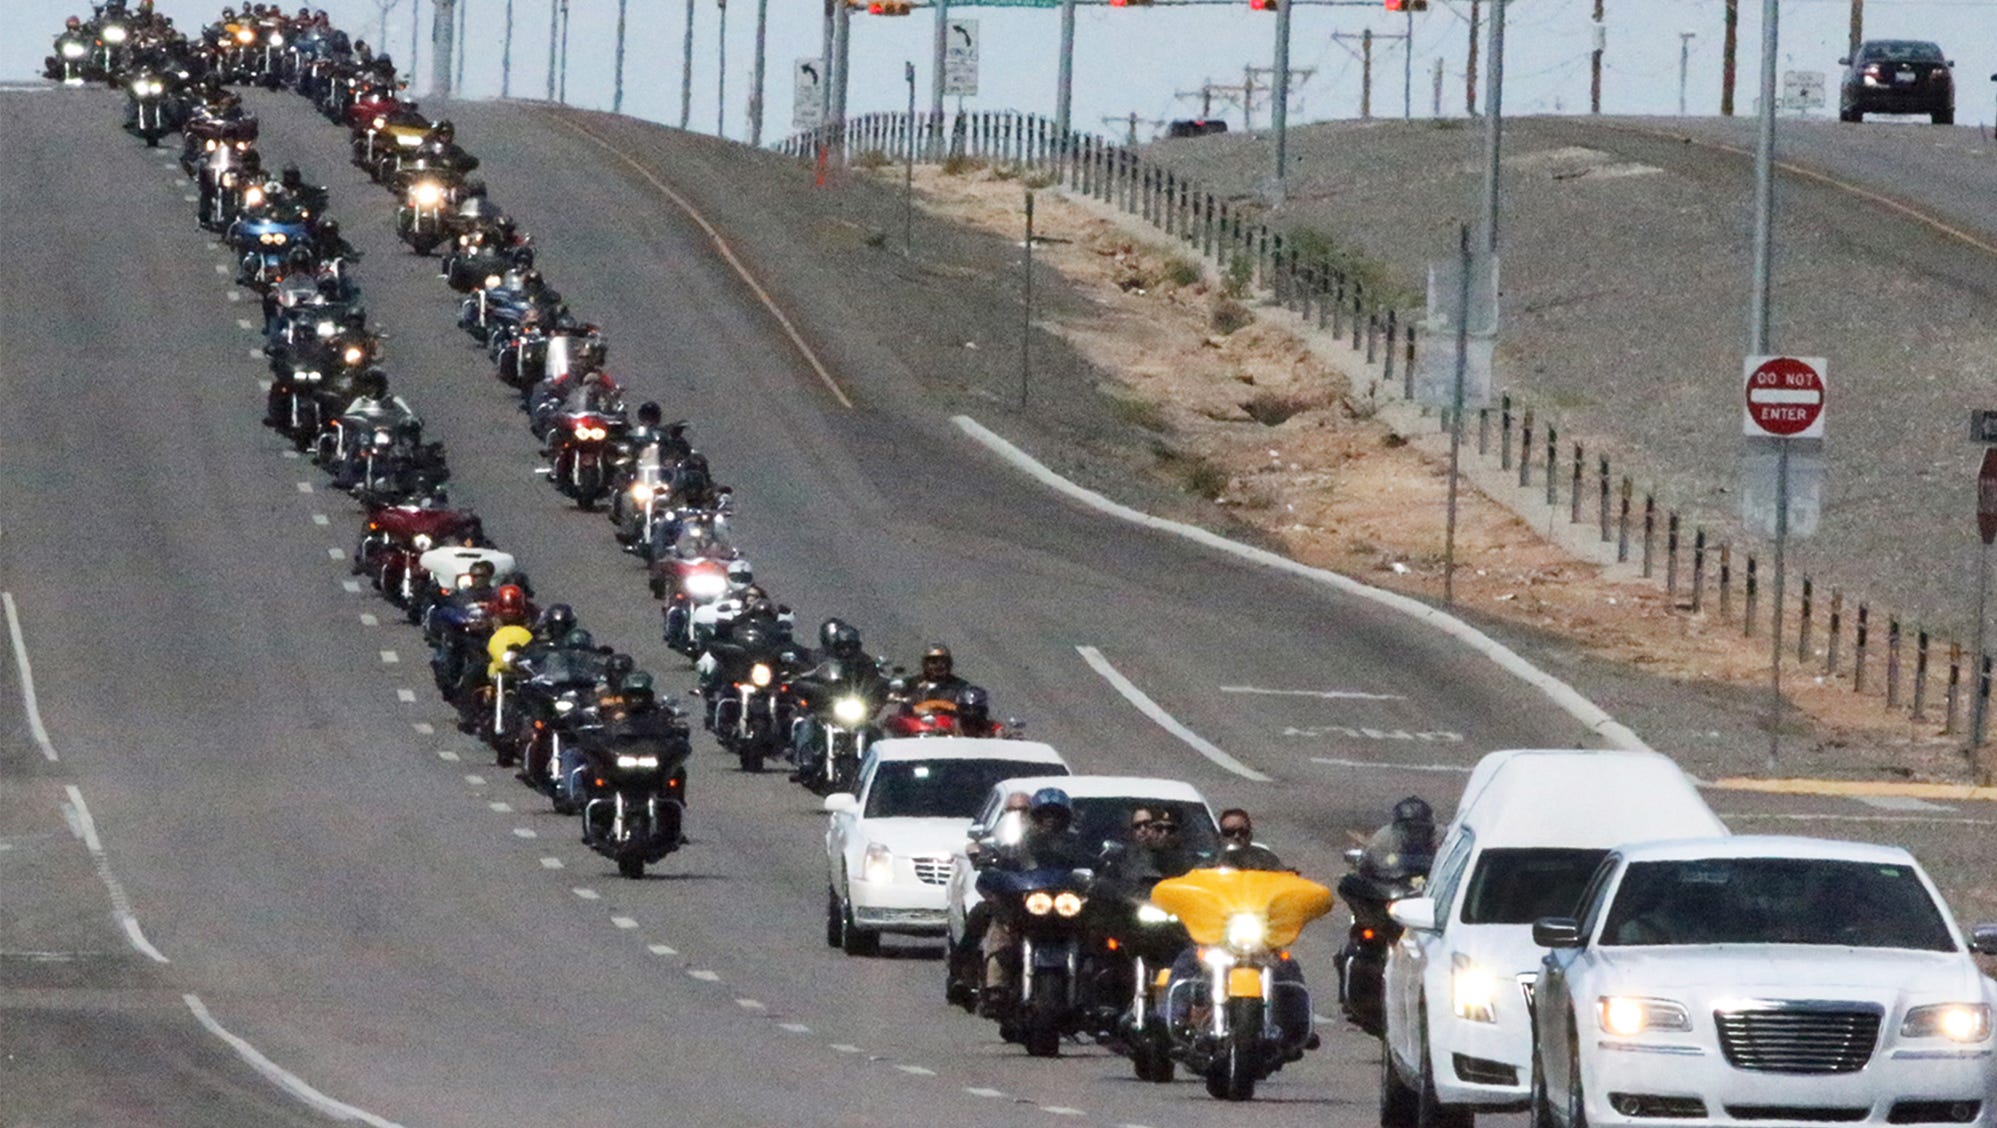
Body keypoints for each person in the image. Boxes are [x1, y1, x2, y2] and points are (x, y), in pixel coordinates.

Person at [979, 788, 1098, 1011]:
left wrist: (1100, 875)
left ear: (1067, 818)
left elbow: (1093, 866)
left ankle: (1096, 993)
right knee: (1001, 926)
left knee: (1098, 935)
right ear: (1034, 816)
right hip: (1028, 903)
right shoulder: (1018, 843)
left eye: (1056, 814)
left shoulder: (1076, 844)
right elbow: (1001, 864)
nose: (1050, 820)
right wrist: (994, 869)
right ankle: (995, 986)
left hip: (1065, 907)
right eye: (1044, 814)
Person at [1216, 808, 1292, 872]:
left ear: (1250, 834)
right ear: (1220, 836)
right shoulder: (1210, 862)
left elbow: (1285, 879)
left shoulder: (1266, 860)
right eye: (1229, 832)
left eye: (1242, 832)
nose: (1236, 836)